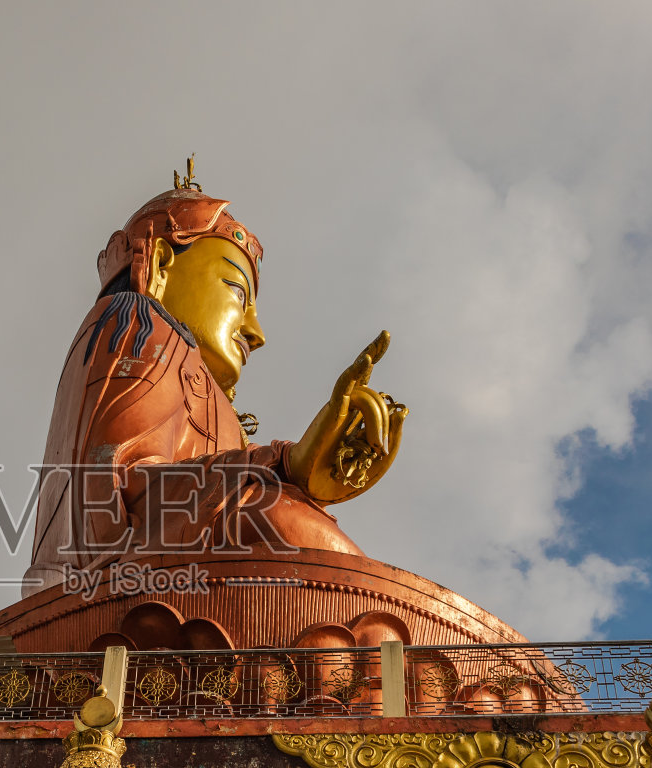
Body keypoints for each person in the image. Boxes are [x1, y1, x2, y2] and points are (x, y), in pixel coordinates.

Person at [25, 162, 407, 590]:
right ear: (162, 265)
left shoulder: (202, 386)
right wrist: (280, 468)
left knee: (299, 527)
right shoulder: (137, 323)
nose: (256, 332)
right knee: (282, 524)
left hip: (174, 577)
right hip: (119, 581)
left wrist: (299, 467)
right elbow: (128, 491)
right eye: (237, 292)